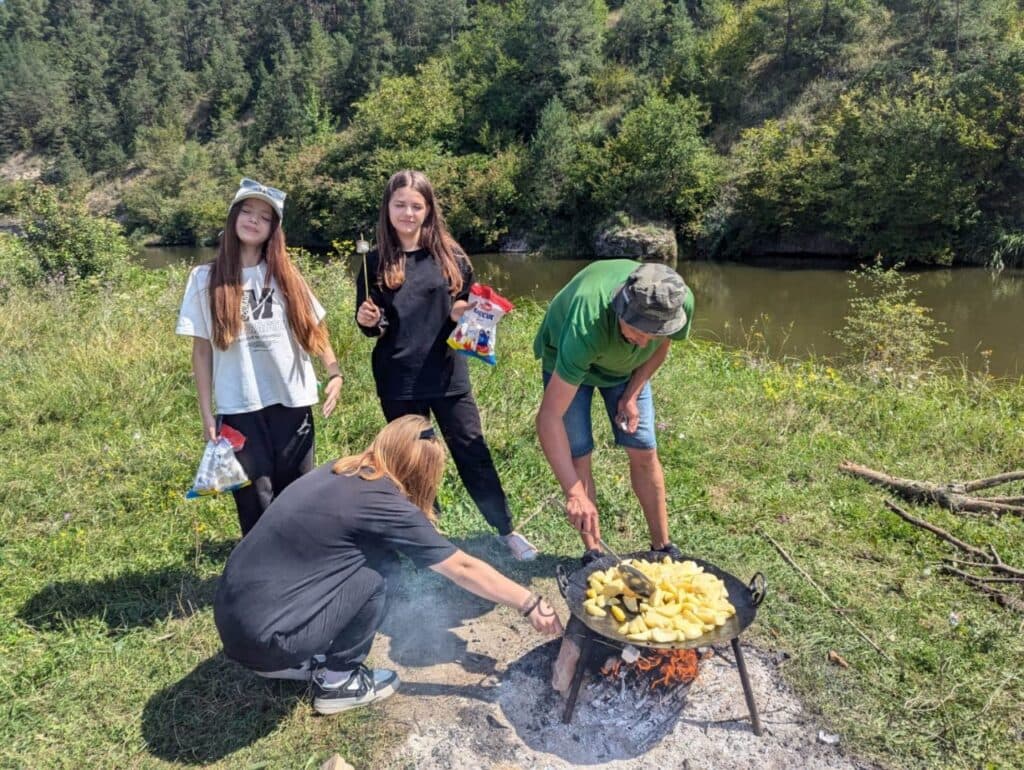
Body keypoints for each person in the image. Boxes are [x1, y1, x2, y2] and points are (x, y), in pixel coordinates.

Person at [213, 415, 563, 715]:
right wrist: (528, 602)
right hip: (266, 641)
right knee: (376, 578)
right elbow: (463, 568)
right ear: (423, 471)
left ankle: (295, 658)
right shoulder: (384, 502)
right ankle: (338, 682)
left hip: (235, 620)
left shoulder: (342, 472)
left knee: (376, 559)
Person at [354, 169, 537, 561]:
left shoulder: (451, 257)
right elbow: (375, 323)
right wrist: (367, 320)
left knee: (471, 448)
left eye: (416, 206)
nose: (407, 213)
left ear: (429, 209)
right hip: (398, 377)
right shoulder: (373, 263)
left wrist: (468, 310)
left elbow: (460, 311)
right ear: (387, 208)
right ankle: (425, 534)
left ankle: (506, 530)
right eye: (400, 205)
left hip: (449, 374)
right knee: (412, 459)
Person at [177, 178, 343, 535]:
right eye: (247, 212)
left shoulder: (285, 274)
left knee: (296, 490)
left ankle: (301, 561)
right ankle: (261, 569)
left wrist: (334, 372)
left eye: (264, 217)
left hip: (291, 398)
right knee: (255, 493)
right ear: (233, 217)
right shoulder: (204, 278)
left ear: (273, 230)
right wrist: (207, 413)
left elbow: (313, 327)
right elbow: (202, 351)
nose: (254, 220)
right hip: (239, 404)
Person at [534, 260, 695, 564]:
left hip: (624, 371)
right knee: (579, 452)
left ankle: (662, 548)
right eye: (637, 330)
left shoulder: (678, 300)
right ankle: (594, 553)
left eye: (654, 333)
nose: (643, 342)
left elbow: (662, 345)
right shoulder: (587, 322)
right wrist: (574, 494)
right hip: (568, 359)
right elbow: (548, 418)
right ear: (621, 308)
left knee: (644, 450)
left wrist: (632, 392)